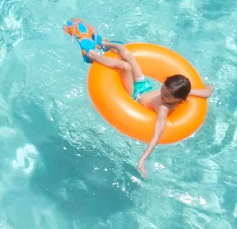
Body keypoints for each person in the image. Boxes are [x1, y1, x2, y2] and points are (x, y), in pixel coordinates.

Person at [72, 26, 214, 177]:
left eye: (166, 96)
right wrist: (210, 87)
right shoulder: (182, 93)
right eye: (162, 90)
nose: (162, 95)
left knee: (124, 66)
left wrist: (143, 159)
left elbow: (156, 135)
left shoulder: (163, 109)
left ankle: (91, 55)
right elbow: (206, 93)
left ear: (178, 100)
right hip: (144, 85)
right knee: (125, 52)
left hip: (134, 94)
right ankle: (104, 44)